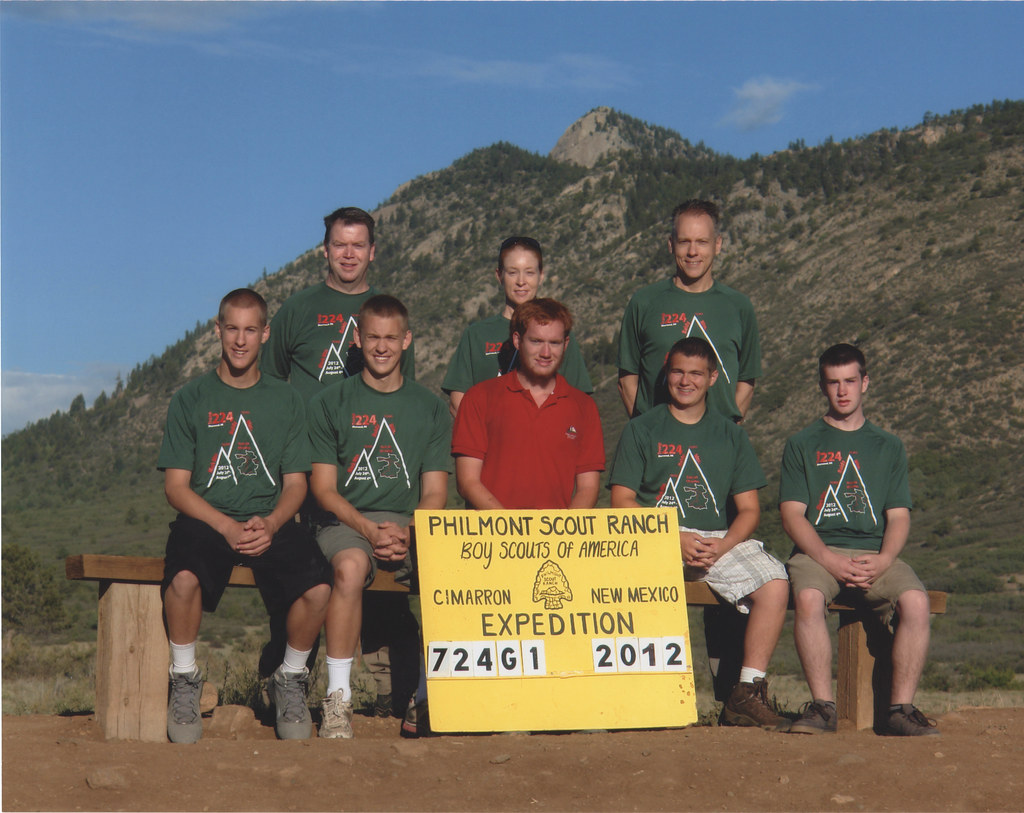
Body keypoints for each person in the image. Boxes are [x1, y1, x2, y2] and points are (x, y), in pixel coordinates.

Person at [261, 206, 416, 719]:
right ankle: (282, 682)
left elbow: (401, 396)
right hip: (305, 471)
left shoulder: (386, 315)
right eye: (339, 244)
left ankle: (392, 686)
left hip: (366, 477)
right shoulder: (299, 309)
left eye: (358, 245)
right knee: (299, 578)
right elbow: (271, 380)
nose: (349, 254)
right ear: (325, 250)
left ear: (372, 251)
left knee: (380, 592)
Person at [158, 288, 331, 743]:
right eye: (231, 328)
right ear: (217, 331)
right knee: (182, 579)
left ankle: (290, 678)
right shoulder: (190, 398)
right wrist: (224, 525)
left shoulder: (288, 399)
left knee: (318, 586)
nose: (240, 340)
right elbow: (176, 486)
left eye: (250, 329)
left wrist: (272, 523)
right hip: (207, 520)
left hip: (269, 522)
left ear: (265, 334)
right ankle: (184, 678)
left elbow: (296, 484)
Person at [609, 337, 790, 731]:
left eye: (695, 373)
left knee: (775, 582)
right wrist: (673, 537)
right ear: (666, 374)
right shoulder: (642, 429)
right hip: (653, 534)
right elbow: (621, 499)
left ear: (712, 378)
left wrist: (723, 544)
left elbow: (748, 510)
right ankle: (638, 700)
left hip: (717, 538)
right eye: (677, 371)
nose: (685, 381)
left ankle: (746, 692)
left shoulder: (730, 435)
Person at [307, 295, 451, 739]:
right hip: (346, 523)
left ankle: (428, 698)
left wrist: (408, 532)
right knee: (349, 567)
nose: (382, 347)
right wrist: (368, 529)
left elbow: (434, 491)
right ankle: (338, 699)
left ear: (406, 340)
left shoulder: (429, 407)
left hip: (408, 524)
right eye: (373, 337)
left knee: (448, 569)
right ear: (358, 339)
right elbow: (324, 489)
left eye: (391, 338)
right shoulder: (331, 402)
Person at [780, 343, 939, 736]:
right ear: (822, 386)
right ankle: (822, 707)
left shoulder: (889, 446)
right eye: (833, 382)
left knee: (917, 602)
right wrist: (828, 560)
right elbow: (792, 515)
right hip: (817, 553)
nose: (843, 391)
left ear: (865, 382)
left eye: (850, 381)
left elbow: (898, 515)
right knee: (808, 598)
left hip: (875, 554)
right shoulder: (803, 443)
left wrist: (885, 559)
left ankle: (900, 709)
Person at [453, 298, 604, 510]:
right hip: (491, 537)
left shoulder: (584, 407)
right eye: (536, 341)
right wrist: (512, 530)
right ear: (517, 340)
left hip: (557, 539)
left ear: (566, 344)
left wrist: (564, 533)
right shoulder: (479, 398)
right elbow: (467, 481)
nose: (545, 353)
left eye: (554, 343)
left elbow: (588, 488)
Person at [617, 200, 760, 422]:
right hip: (656, 447)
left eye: (702, 242)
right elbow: (627, 379)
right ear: (670, 244)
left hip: (718, 447)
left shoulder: (739, 306)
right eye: (684, 242)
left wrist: (728, 435)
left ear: (718, 244)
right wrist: (645, 434)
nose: (693, 252)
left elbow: (746, 380)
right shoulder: (643, 303)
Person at [441, 235, 593, 416]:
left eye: (529, 272)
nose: (521, 281)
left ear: (541, 275)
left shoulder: (557, 332)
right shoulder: (476, 335)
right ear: (499, 275)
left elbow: (579, 399)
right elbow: (458, 401)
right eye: (513, 272)